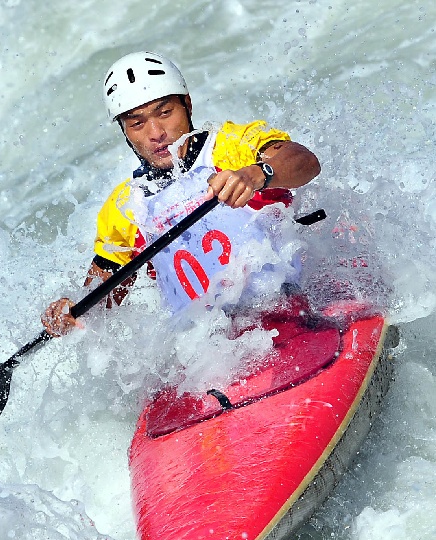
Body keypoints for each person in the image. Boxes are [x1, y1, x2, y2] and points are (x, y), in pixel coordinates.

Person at [41, 51, 320, 336]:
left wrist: (258, 174)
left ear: (186, 104)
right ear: (125, 131)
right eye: (137, 123)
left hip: (289, 307)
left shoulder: (231, 146)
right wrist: (71, 311)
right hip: (209, 352)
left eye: (165, 113)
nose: (156, 132)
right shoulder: (127, 207)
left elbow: (306, 163)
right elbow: (102, 300)